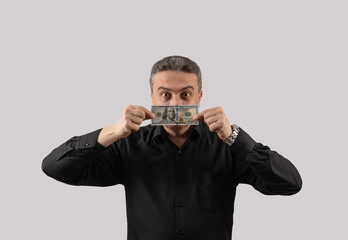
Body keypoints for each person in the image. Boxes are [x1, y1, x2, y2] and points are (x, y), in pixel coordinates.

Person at [42, 55, 302, 240]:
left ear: (200, 97)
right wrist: (111, 132)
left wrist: (235, 136)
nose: (175, 104)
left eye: (186, 94)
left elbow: (289, 183)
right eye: (165, 95)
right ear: (152, 97)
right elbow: (55, 167)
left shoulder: (226, 146)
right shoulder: (128, 146)